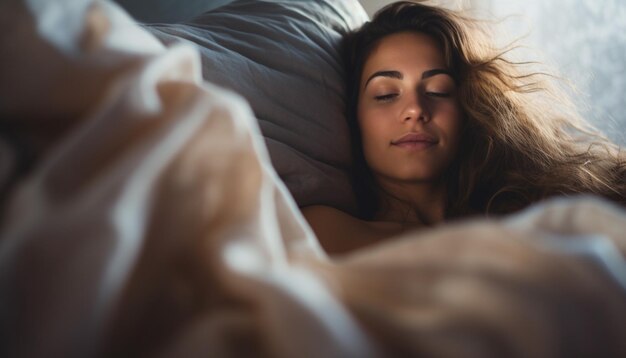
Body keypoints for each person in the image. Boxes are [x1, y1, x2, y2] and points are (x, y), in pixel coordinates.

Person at [302, 1, 626, 255]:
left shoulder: (546, 213)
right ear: (353, 116)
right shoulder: (324, 232)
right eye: (386, 94)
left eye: (438, 91)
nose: (415, 109)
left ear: (468, 108)